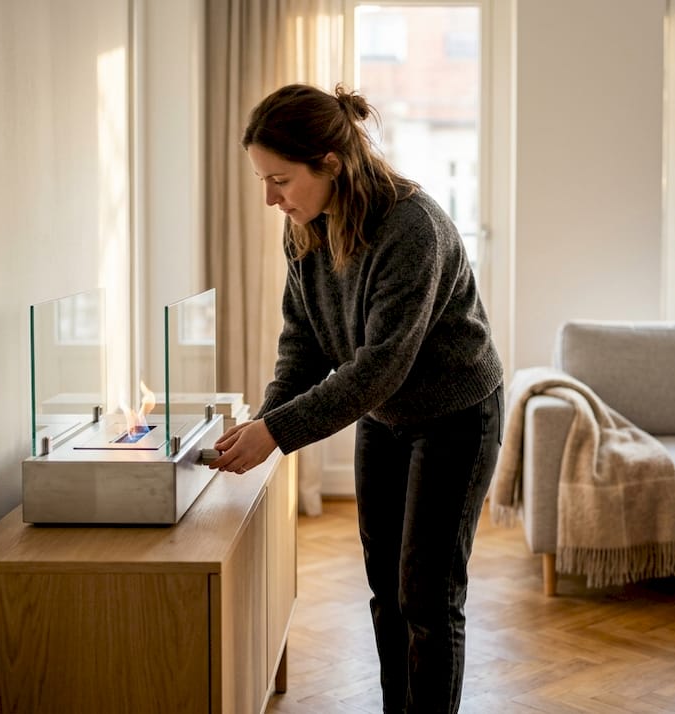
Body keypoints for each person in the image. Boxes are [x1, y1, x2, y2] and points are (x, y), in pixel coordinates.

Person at [208, 83, 504, 713]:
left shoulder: (413, 228)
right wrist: (261, 426)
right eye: (263, 180)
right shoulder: (305, 230)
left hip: (456, 416)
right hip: (385, 415)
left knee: (427, 597)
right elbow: (302, 348)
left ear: (332, 164)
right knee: (385, 592)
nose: (270, 198)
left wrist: (277, 433)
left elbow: (379, 367)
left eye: (280, 179)